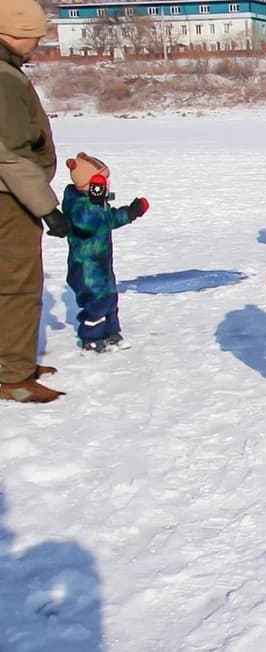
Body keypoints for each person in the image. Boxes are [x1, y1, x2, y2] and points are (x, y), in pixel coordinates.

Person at [0, 0, 70, 404]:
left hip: (11, 190)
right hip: (9, 198)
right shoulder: (4, 79)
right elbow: (9, 153)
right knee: (18, 285)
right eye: (36, 38)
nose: (38, 45)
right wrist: (48, 208)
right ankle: (15, 377)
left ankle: (11, 361)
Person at [61, 153, 149, 352]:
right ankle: (91, 337)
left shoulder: (97, 202)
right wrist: (95, 200)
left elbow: (109, 219)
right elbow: (86, 223)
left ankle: (111, 332)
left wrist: (131, 212)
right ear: (88, 184)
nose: (107, 185)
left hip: (102, 265)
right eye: (102, 181)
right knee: (95, 302)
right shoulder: (78, 205)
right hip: (85, 267)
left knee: (110, 298)